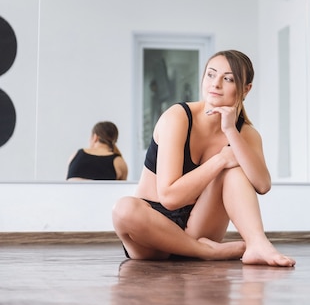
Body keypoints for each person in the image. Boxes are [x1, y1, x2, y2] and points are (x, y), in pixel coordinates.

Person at [112, 50, 295, 266]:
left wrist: (230, 132)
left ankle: (257, 244)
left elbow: (263, 184)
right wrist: (220, 160)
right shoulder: (178, 117)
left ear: (246, 89)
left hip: (198, 227)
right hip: (151, 231)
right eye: (211, 74)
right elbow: (169, 198)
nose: (215, 84)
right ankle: (206, 252)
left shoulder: (245, 133)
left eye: (227, 79)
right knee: (124, 209)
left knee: (235, 170)